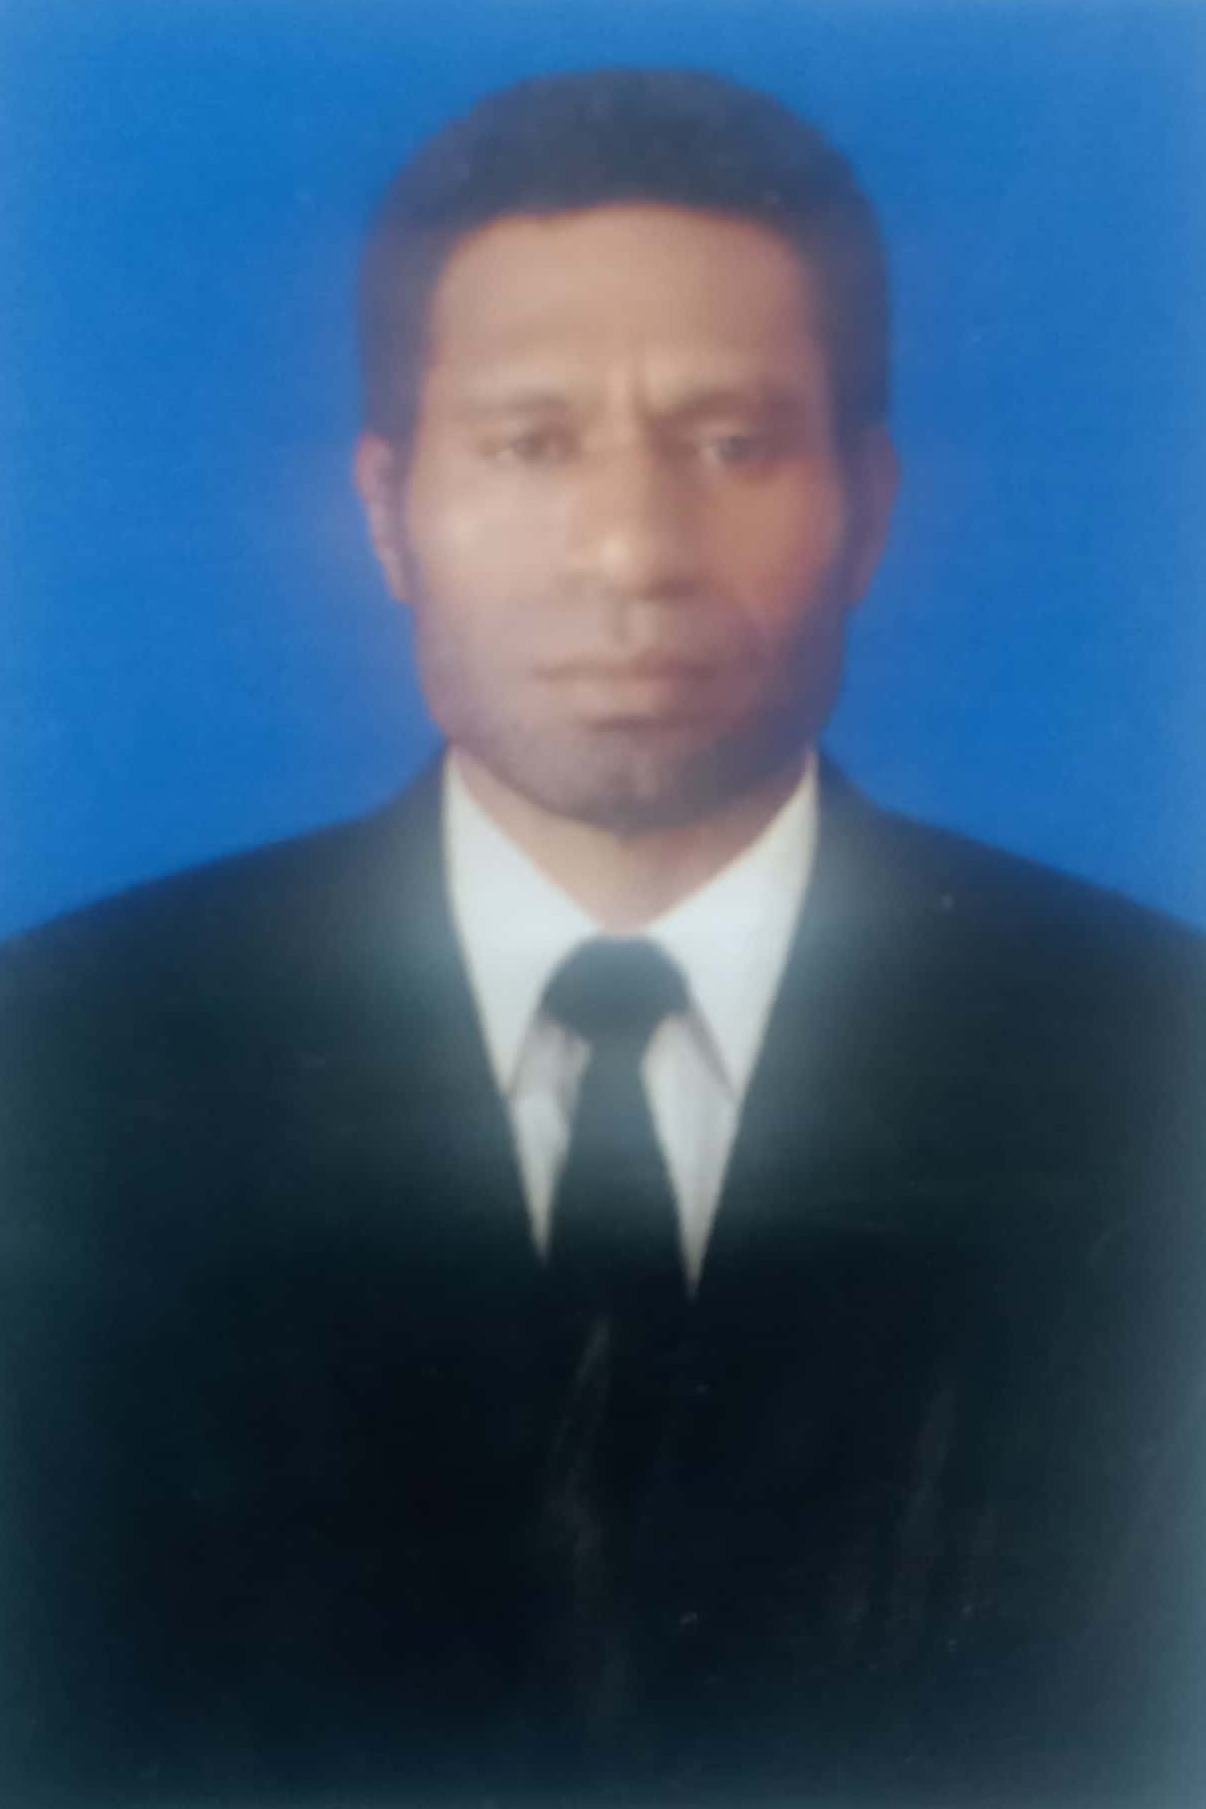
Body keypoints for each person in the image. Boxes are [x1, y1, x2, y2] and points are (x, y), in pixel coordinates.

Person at [2, 66, 1203, 1808]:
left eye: (731, 444)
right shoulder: (60, 1064)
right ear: (386, 509)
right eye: (532, 442)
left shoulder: (1156, 1064)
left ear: (866, 507)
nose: (634, 551)